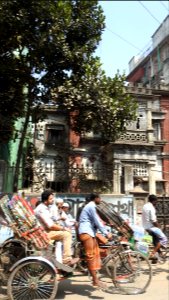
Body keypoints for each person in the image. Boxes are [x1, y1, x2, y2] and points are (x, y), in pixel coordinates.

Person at [34, 189, 79, 266]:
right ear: (45, 200)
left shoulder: (46, 208)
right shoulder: (42, 209)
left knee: (63, 236)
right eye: (51, 199)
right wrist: (63, 228)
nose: (52, 200)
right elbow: (50, 225)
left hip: (46, 231)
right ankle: (66, 260)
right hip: (43, 233)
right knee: (67, 234)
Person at [78, 193, 113, 289]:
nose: (101, 200)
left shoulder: (91, 206)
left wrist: (107, 225)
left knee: (95, 253)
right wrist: (106, 233)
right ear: (95, 198)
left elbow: (98, 221)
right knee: (91, 256)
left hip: (90, 232)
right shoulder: (91, 206)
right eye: (100, 197)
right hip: (86, 232)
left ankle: (95, 279)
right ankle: (95, 280)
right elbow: (97, 221)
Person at [142, 194, 168, 259]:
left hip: (146, 226)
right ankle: (153, 254)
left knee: (155, 241)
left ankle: (159, 255)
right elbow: (153, 220)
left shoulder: (145, 206)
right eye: (156, 202)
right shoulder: (151, 208)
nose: (156, 203)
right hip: (151, 227)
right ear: (154, 201)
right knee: (164, 239)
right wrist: (159, 227)